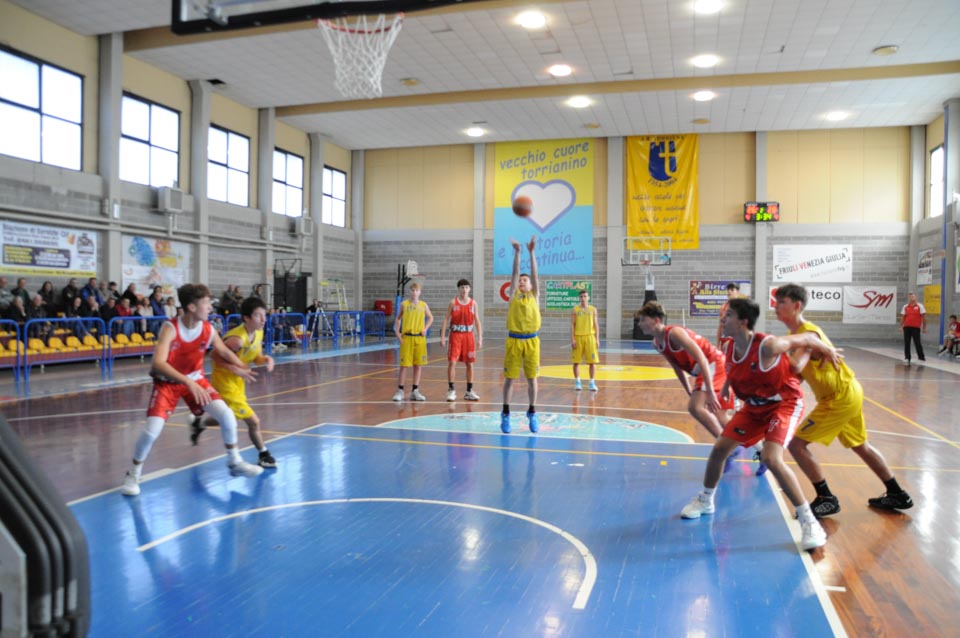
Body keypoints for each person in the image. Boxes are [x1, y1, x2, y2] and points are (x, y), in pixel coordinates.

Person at [680, 297, 839, 551]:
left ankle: (810, 523)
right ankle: (706, 500)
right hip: (755, 406)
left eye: (728, 316)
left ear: (743, 322)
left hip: (784, 403)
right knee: (720, 448)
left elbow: (807, 338)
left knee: (771, 458)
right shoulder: (729, 346)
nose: (723, 319)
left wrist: (826, 349)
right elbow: (734, 368)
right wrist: (727, 387)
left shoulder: (768, 345)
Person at [774, 284, 913, 516]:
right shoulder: (797, 337)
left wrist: (767, 351)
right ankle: (897, 493)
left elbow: (796, 365)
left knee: (796, 445)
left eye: (781, 302)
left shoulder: (808, 333)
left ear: (796, 306)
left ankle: (826, 498)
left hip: (838, 398)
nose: (776, 307)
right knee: (861, 446)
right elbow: (799, 375)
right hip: (849, 392)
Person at [120, 283, 263, 497]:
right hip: (168, 383)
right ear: (192, 307)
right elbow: (158, 363)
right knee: (151, 431)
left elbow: (223, 351)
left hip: (195, 379)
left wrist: (240, 367)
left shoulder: (208, 328)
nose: (210, 307)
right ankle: (133, 474)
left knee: (226, 415)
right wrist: (188, 382)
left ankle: (234, 462)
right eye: (206, 303)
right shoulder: (170, 329)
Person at [636, 300, 767, 475]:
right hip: (708, 368)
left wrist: (710, 392)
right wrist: (688, 390)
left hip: (713, 363)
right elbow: (677, 367)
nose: (639, 323)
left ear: (656, 320)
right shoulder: (657, 343)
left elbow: (702, 359)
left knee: (695, 407)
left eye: (642, 319)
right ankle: (762, 450)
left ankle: (727, 448)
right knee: (721, 417)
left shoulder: (674, 333)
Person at [190, 296, 277, 468]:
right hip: (225, 382)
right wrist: (235, 369)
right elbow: (214, 355)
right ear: (246, 318)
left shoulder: (258, 333)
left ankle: (199, 424)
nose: (263, 319)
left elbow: (255, 357)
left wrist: (265, 359)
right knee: (254, 421)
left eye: (264, 315)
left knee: (230, 417)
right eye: (258, 315)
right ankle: (263, 454)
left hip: (237, 382)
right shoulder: (237, 339)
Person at [500, 236, 541, 434]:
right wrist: (518, 252)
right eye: (521, 281)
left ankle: (532, 412)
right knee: (510, 379)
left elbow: (535, 275)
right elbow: (515, 272)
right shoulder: (513, 295)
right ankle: (505, 413)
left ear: (531, 285)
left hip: (532, 341)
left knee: (532, 379)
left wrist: (531, 252)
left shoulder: (535, 295)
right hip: (514, 341)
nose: (523, 281)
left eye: (526, 280)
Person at [439, 278, 483, 402]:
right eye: (462, 287)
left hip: (468, 336)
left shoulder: (473, 303)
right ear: (459, 289)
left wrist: (480, 337)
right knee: (452, 362)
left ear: (470, 289)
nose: (464, 289)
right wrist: (443, 336)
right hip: (456, 335)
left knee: (470, 363)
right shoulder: (453, 303)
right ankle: (451, 390)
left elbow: (477, 321)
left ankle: (469, 391)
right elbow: (446, 319)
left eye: (466, 287)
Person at [392, 282, 433, 401]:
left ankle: (415, 390)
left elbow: (431, 317)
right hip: (407, 338)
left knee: (418, 365)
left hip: (419, 338)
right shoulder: (404, 304)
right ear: (410, 292)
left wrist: (425, 328)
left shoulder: (423, 305)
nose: (414, 292)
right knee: (404, 365)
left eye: (417, 290)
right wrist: (397, 332)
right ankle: (400, 390)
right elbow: (398, 318)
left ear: (420, 292)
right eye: (413, 290)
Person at [570, 289, 600, 392]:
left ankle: (592, 382)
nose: (583, 298)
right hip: (578, 337)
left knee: (592, 362)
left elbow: (596, 325)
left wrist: (597, 339)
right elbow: (572, 325)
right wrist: (572, 339)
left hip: (590, 337)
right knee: (576, 362)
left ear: (588, 298)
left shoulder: (593, 309)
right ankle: (577, 382)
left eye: (585, 296)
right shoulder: (575, 310)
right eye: (581, 297)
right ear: (579, 298)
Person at [898, 292, 926, 366]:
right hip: (907, 327)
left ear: (915, 297)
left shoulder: (920, 306)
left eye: (913, 296)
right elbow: (903, 317)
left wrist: (924, 327)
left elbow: (923, 317)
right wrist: (901, 326)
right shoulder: (905, 306)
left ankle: (921, 357)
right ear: (908, 298)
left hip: (916, 327)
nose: (911, 298)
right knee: (907, 342)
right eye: (910, 297)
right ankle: (907, 357)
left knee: (917, 342)